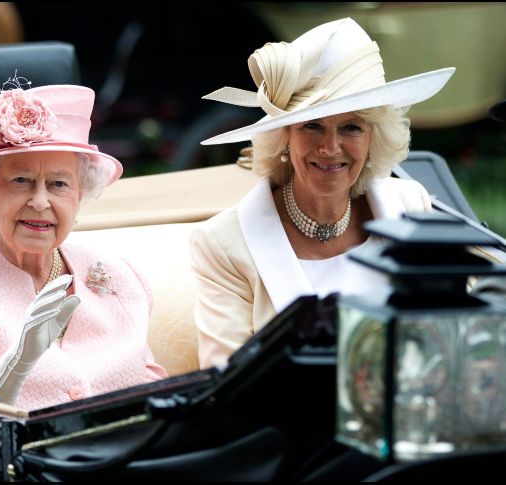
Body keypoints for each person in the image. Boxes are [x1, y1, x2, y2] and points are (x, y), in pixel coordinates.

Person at [190, 18, 456, 369]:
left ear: (374, 136)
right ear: (284, 136)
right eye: (312, 126)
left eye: (350, 127)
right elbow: (224, 384)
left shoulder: (411, 206)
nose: (330, 148)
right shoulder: (222, 245)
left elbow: (451, 334)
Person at [0, 77, 168, 410]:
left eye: (59, 184)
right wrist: (15, 365)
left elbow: (154, 390)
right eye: (21, 181)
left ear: (80, 196)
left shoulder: (120, 275)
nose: (40, 201)